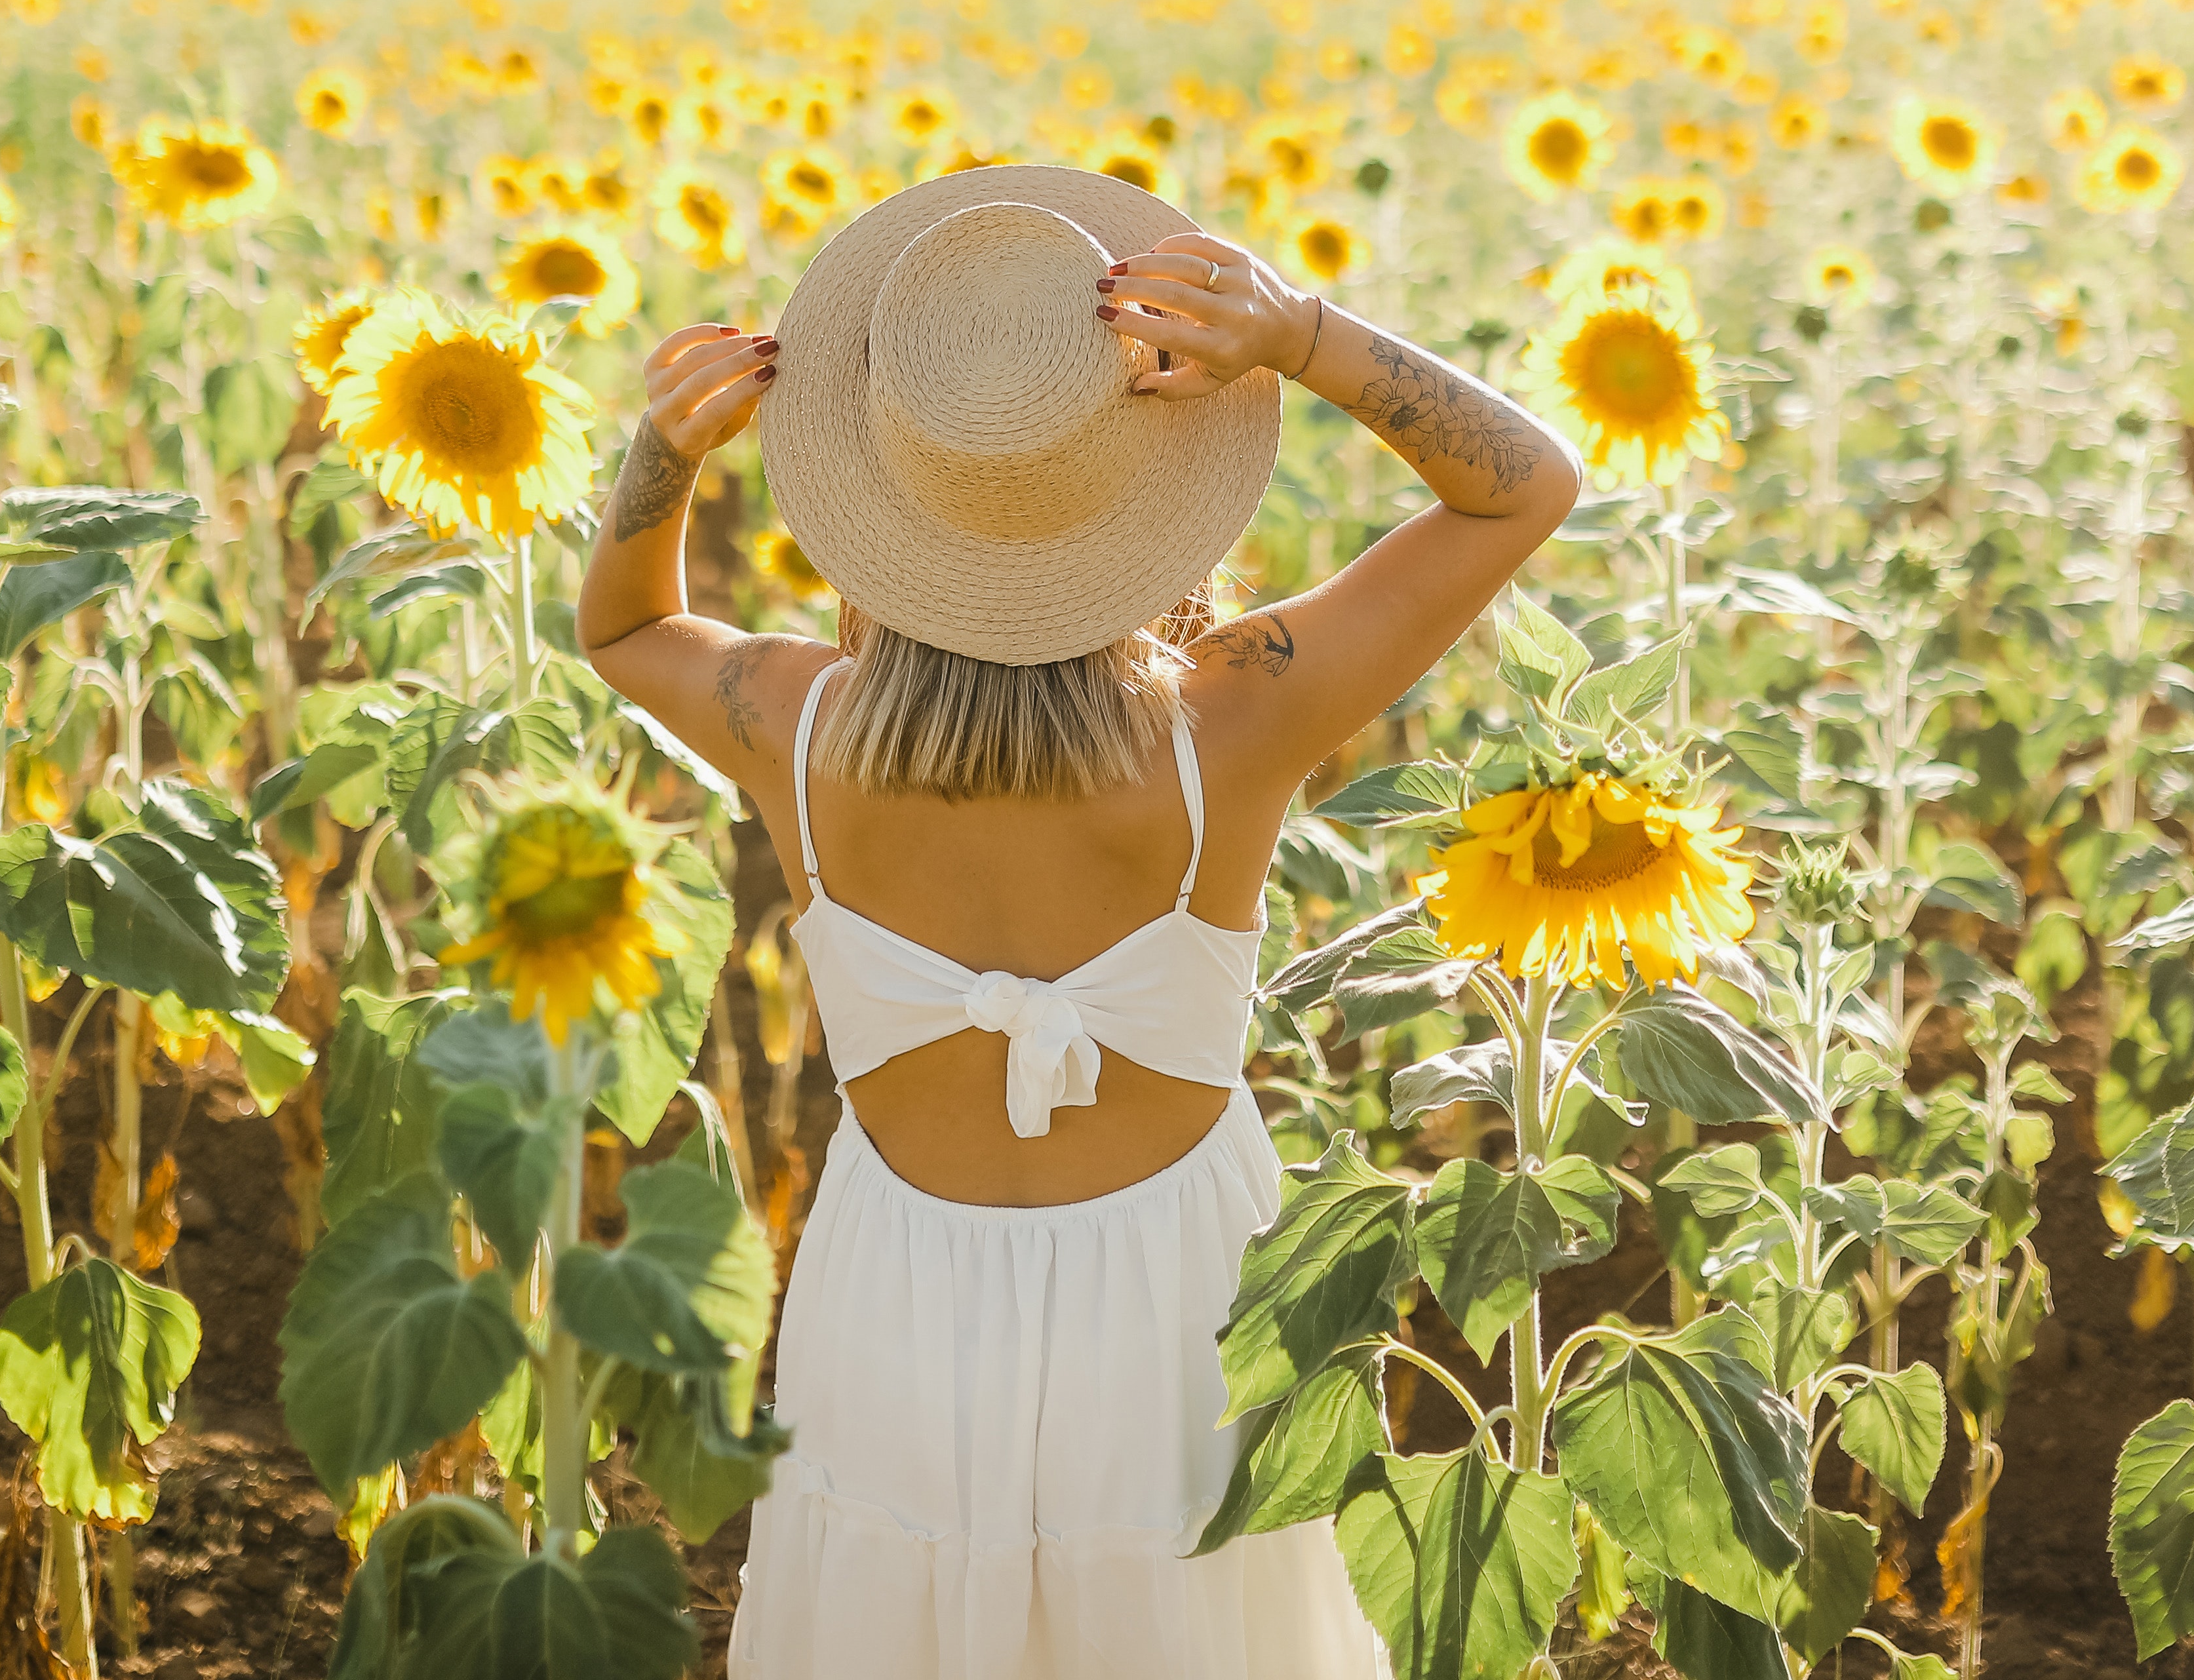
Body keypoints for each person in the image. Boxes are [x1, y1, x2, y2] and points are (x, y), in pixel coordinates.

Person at [578, 164, 1581, 1680]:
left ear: (878, 487)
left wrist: (663, 456)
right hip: (1174, 1289)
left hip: (896, 1283)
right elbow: (1524, 480)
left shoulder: (792, 720)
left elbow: (624, 627)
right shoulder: (1233, 716)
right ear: (1141, 479)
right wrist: (1302, 333)